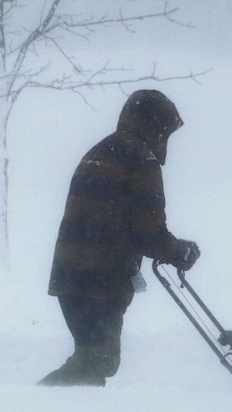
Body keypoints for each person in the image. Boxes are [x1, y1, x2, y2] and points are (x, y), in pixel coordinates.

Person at [39, 89, 200, 387]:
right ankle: (35, 408)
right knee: (96, 361)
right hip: (101, 277)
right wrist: (177, 252)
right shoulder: (141, 158)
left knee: (92, 358)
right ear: (157, 127)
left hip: (71, 273)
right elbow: (147, 227)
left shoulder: (104, 150)